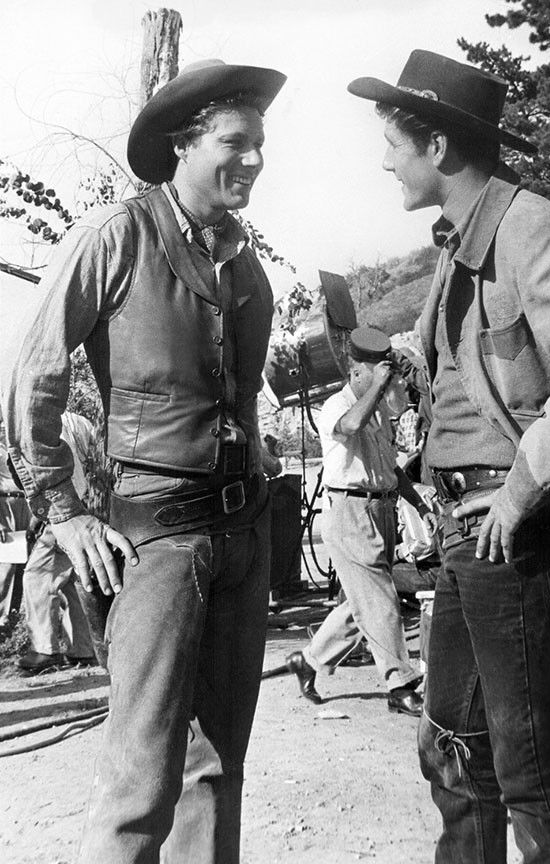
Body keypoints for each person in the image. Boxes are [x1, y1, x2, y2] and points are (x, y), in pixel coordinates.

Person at [347, 50, 550, 863]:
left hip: (518, 536)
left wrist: (521, 489)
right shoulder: (459, 244)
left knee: (534, 776)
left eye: (393, 144)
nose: (385, 162)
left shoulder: (530, 228)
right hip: (467, 536)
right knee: (454, 755)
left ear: (437, 146)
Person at [2, 58, 286, 864]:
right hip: (156, 539)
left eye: (260, 143)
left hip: (242, 535)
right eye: (235, 142)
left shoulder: (243, 261)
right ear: (183, 145)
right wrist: (63, 512)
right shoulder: (113, 237)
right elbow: (32, 379)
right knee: (140, 784)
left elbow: (242, 397)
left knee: (216, 771)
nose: (254, 160)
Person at [286, 326, 437, 717]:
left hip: (380, 509)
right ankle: (400, 684)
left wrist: (418, 504)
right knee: (381, 598)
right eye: (379, 370)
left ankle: (309, 660)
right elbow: (350, 427)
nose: (387, 377)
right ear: (356, 372)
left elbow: (390, 468)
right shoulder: (337, 406)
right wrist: (379, 387)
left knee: (362, 605)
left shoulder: (378, 412)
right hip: (349, 512)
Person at [17, 411, 96, 675]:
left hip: (62, 508)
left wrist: (43, 515)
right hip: (83, 504)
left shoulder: (41, 422)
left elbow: (46, 472)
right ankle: (83, 648)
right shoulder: (78, 422)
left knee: (37, 577)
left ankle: (45, 649)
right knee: (73, 579)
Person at [0, 410, 31, 630]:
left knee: (23, 563)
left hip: (25, 503)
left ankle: (11, 617)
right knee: (7, 563)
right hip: (5, 504)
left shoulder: (15, 441)